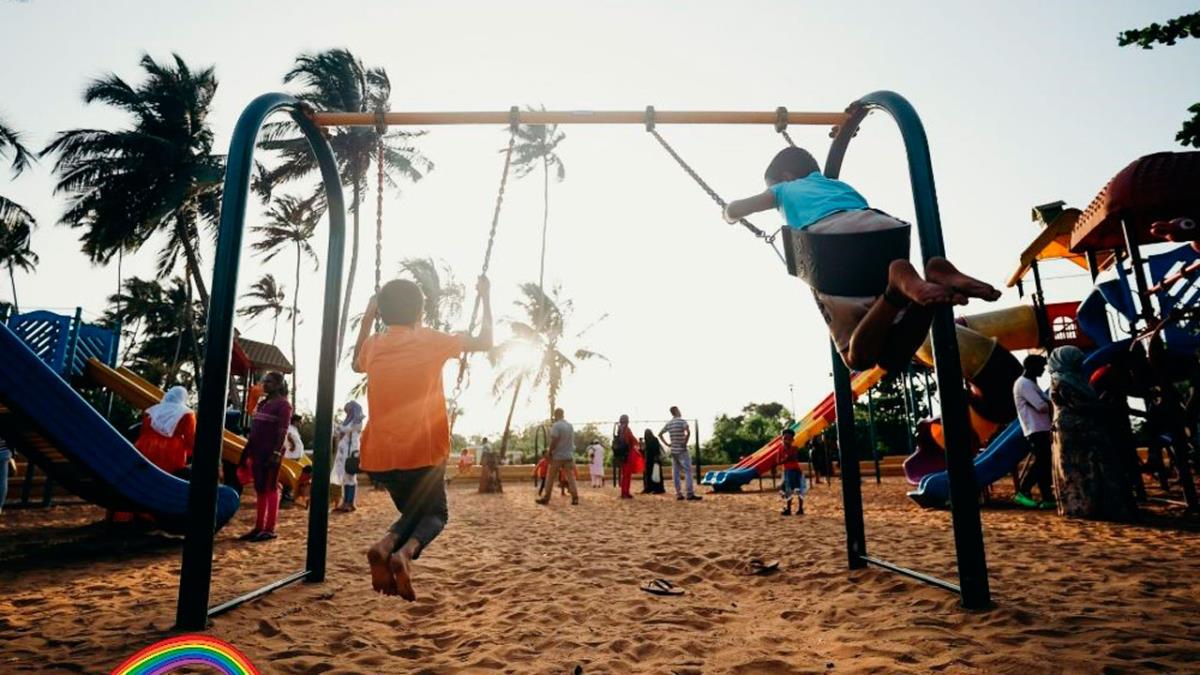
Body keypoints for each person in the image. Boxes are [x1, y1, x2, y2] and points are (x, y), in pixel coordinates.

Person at [724, 147, 1000, 371]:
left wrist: (729, 214)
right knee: (892, 358)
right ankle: (933, 277)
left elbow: (739, 208)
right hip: (884, 233)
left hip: (833, 247)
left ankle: (896, 286)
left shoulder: (783, 189)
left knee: (856, 359)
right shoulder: (837, 185)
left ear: (785, 176)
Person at [355, 275, 493, 600]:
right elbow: (486, 341)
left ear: (382, 313)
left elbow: (355, 365)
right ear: (420, 314)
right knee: (436, 514)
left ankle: (388, 545)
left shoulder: (373, 345)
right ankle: (400, 553)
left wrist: (366, 316)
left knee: (415, 513)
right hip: (422, 453)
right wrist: (486, 296)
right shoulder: (431, 340)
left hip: (380, 458)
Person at [1048, 346, 1136, 521]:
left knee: (1092, 468)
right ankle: (1084, 507)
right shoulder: (1062, 381)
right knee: (1081, 469)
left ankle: (1098, 506)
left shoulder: (1076, 379)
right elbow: (1078, 405)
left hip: (1086, 430)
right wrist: (1103, 406)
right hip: (1075, 432)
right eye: (1076, 360)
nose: (1080, 363)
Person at [238, 371, 293, 542]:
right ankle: (258, 527)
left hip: (271, 451)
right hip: (257, 450)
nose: (265, 385)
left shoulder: (284, 405)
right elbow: (256, 428)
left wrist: (276, 452)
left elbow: (283, 430)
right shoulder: (262, 404)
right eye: (264, 382)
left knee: (270, 486)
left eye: (269, 382)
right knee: (260, 487)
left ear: (278, 385)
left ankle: (269, 528)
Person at [1012, 354, 1054, 509]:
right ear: (1032, 367)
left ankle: (1047, 497)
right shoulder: (1024, 384)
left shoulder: (1031, 383)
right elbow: (1041, 406)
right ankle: (1023, 490)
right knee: (1042, 462)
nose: (1043, 370)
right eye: (1041, 367)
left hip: (1041, 427)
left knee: (1044, 463)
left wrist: (1048, 402)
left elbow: (1045, 402)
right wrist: (1051, 403)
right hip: (1035, 428)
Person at [134, 385, 196, 478]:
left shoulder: (152, 410)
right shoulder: (187, 414)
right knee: (163, 478)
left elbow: (143, 431)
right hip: (171, 452)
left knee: (142, 475)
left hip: (145, 446)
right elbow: (190, 439)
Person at [538, 408, 580, 505]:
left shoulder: (556, 426)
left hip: (557, 456)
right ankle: (575, 497)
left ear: (555, 415)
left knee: (550, 477)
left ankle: (546, 497)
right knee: (571, 478)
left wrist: (550, 452)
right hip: (568, 455)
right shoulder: (570, 426)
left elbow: (554, 440)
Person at [659, 406, 700, 501]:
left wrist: (667, 444)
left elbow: (660, 434)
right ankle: (690, 494)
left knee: (675, 472)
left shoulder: (669, 423)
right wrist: (685, 443)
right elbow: (688, 432)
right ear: (677, 411)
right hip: (682, 450)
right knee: (688, 471)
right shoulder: (682, 421)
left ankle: (678, 494)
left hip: (673, 450)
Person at [332, 402, 364, 512]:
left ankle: (350, 503)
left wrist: (338, 427)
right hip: (344, 453)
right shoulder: (349, 422)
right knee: (346, 479)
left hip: (351, 453)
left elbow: (344, 430)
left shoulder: (357, 422)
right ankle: (346, 502)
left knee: (350, 478)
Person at [777, 428, 807, 515]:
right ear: (781, 439)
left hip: (796, 471)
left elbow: (793, 457)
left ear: (792, 440)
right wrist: (785, 459)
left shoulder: (794, 448)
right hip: (787, 471)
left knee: (799, 490)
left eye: (789, 439)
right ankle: (789, 508)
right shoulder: (780, 449)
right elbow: (778, 461)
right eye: (785, 438)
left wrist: (785, 458)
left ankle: (800, 508)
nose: (787, 441)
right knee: (787, 490)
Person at [613, 415, 641, 499]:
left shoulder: (619, 429)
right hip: (627, 455)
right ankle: (625, 493)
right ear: (627, 421)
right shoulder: (626, 430)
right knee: (627, 475)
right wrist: (638, 444)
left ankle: (624, 492)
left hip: (621, 455)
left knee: (624, 474)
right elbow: (632, 439)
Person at [641, 430, 666, 494]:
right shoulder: (650, 440)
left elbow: (656, 450)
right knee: (650, 475)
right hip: (650, 461)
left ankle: (656, 489)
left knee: (654, 475)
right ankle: (649, 488)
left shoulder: (653, 440)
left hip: (654, 460)